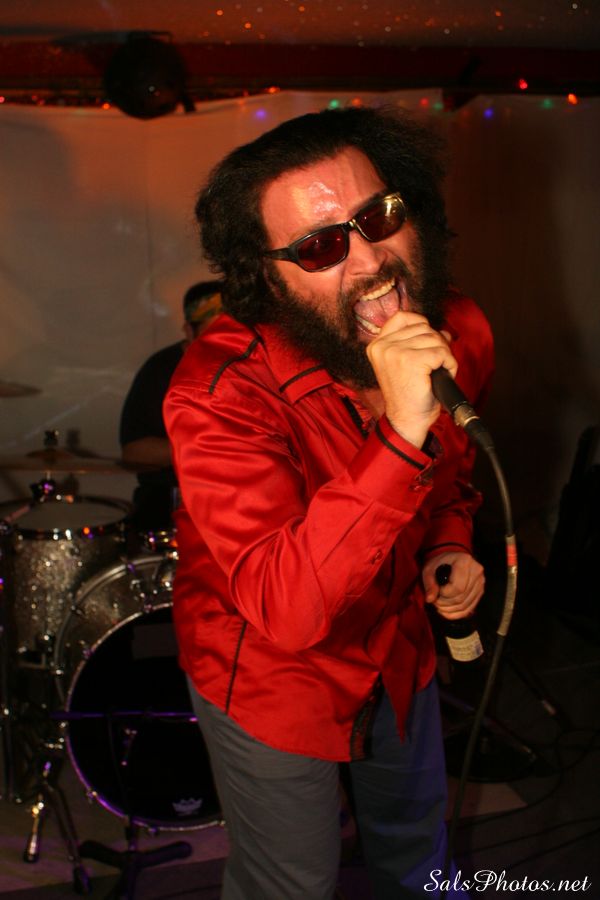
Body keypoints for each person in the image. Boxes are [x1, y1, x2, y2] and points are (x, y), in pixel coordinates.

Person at [163, 106, 494, 899]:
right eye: (319, 246)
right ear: (268, 275)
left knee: (418, 855)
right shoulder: (217, 390)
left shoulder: (460, 327)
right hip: (273, 673)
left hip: (399, 645)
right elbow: (287, 605)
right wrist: (401, 431)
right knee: (294, 881)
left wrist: (448, 542)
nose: (372, 261)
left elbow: (452, 473)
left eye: (379, 217)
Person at [119, 281, 222, 534]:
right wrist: (207, 446)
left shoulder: (250, 366)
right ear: (189, 331)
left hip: (233, 500)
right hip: (168, 500)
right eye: (214, 333)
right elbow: (134, 451)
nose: (224, 342)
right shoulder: (161, 370)